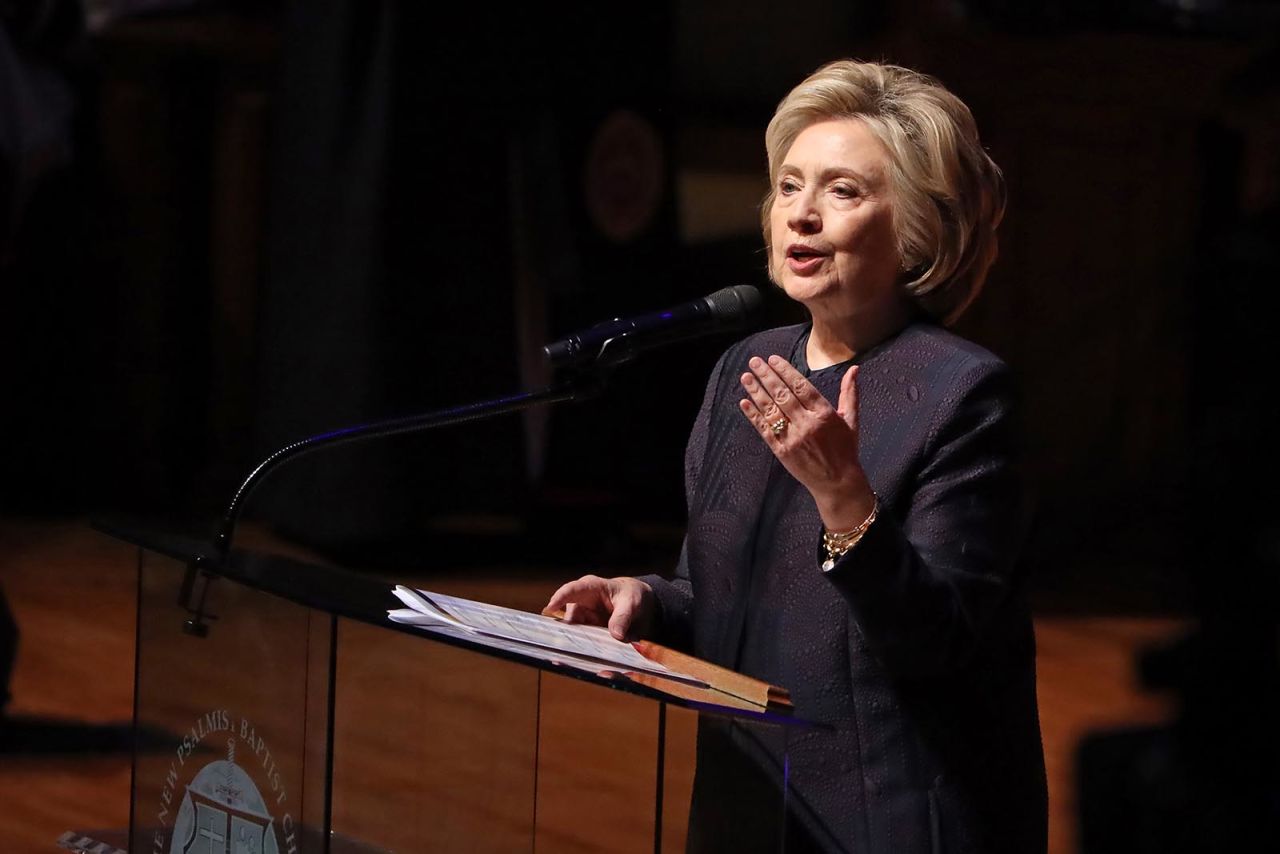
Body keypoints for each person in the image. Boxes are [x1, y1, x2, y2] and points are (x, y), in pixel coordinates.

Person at [545, 59, 1047, 853]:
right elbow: (717, 594)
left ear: (917, 227)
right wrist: (639, 598)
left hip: (889, 823)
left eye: (842, 191)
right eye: (788, 186)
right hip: (745, 813)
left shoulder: (962, 394)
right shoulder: (747, 368)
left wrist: (844, 495)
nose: (800, 215)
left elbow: (942, 645)